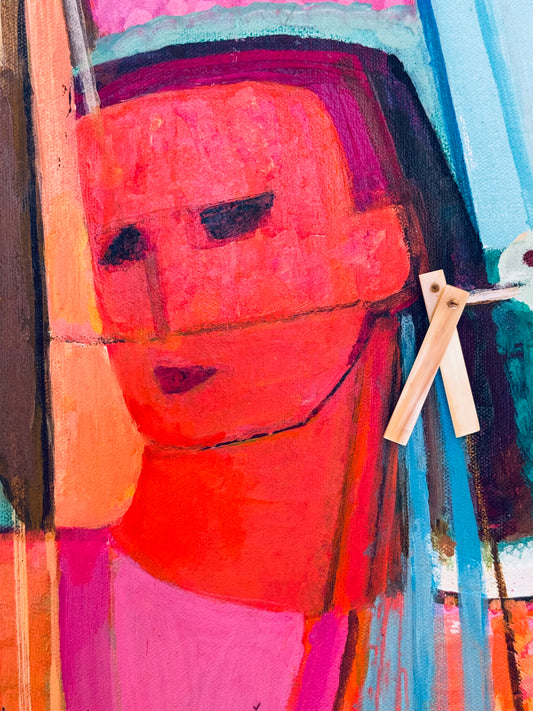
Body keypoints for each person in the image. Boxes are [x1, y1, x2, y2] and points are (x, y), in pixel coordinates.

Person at [57, 37, 532, 709]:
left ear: (386, 247)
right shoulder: (31, 614)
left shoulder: (501, 636)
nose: (170, 302)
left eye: (231, 221)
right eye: (119, 247)